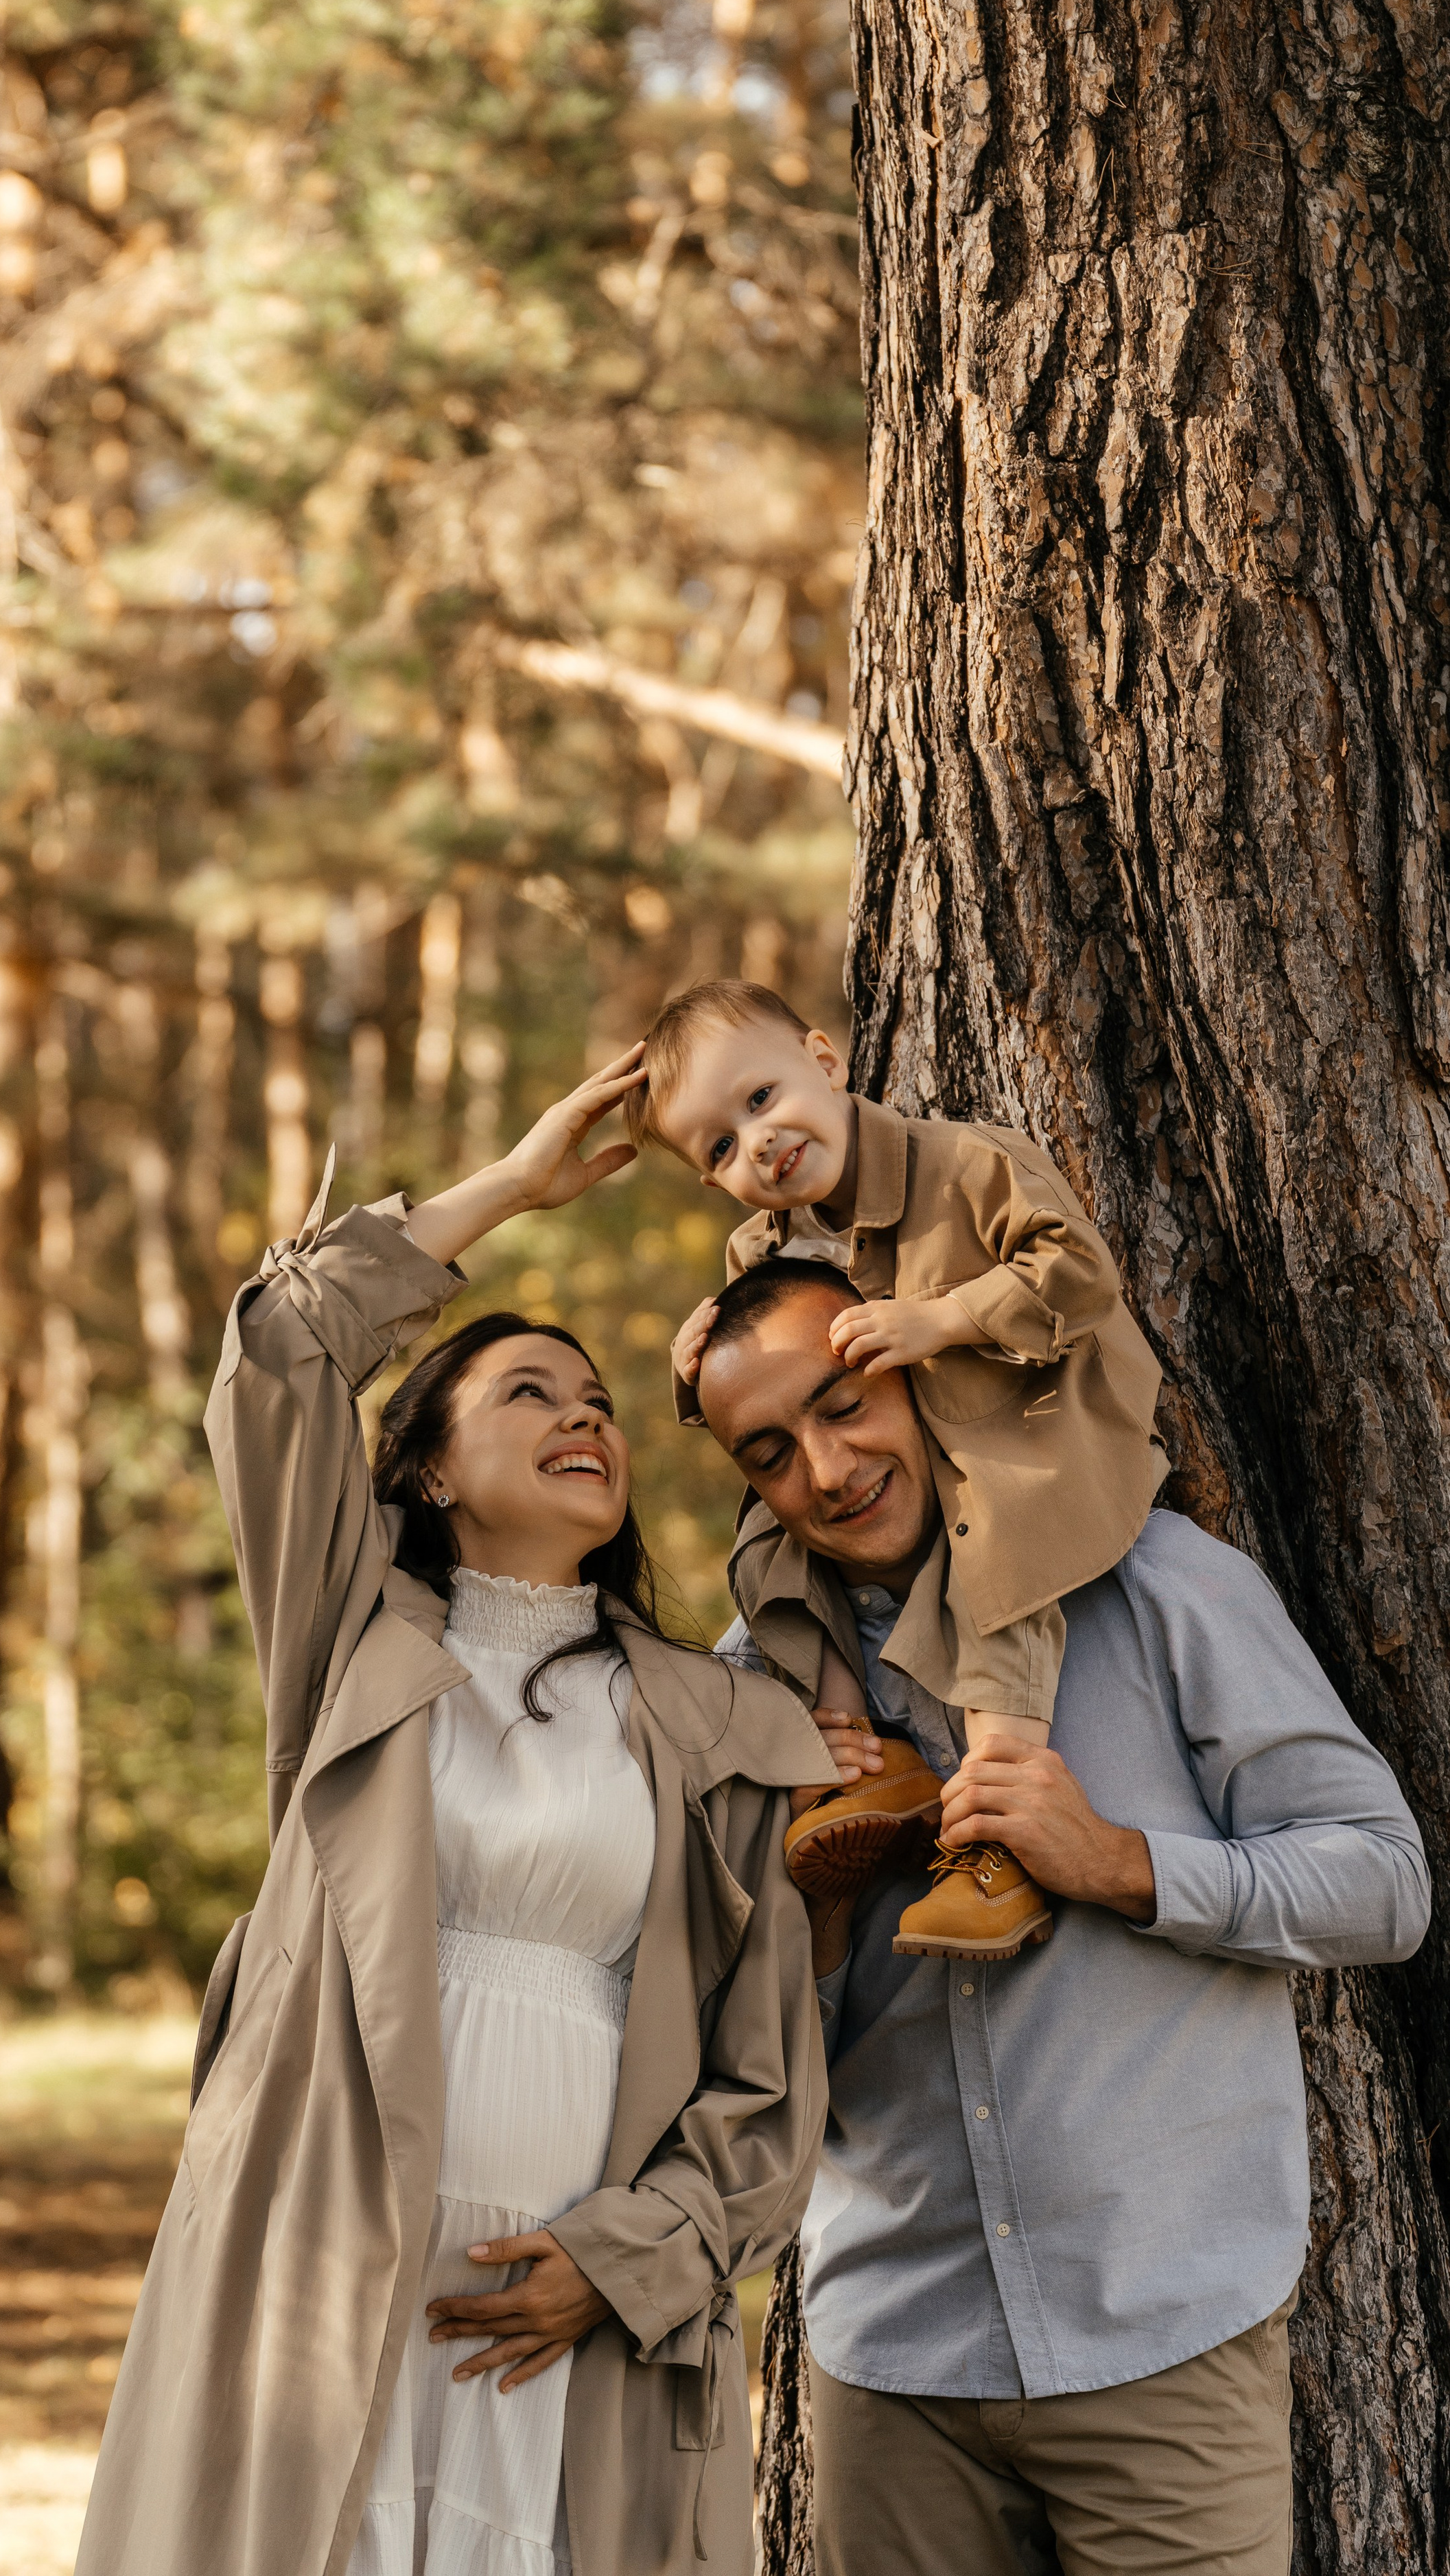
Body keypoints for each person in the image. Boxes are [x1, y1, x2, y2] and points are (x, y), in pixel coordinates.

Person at [73, 1054, 839, 2576]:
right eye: (527, 1392)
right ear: (424, 1465)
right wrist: (510, 1185)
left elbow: (768, 2089)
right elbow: (282, 1350)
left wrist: (620, 2266)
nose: (585, 1419)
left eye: (604, 1402)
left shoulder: (718, 1727)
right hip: (321, 2248)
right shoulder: (353, 1645)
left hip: (559, 2301)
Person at [692, 1256, 1431, 2576]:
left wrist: (1116, 1862)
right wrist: (814, 1916)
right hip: (896, 2368)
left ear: (914, 1375)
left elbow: (1384, 1880)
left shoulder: (1154, 1583)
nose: (828, 1465)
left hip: (1161, 2347)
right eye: (771, 1449)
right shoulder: (755, 1696)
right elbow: (733, 2063)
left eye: (843, 1401)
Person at [629, 978, 1167, 1960]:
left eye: (761, 1100)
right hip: (914, 1440)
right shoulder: (763, 1249)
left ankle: (999, 1831)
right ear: (715, 1182)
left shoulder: (960, 1163)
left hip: (1031, 1411)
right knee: (769, 1533)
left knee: (997, 1538)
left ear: (824, 1062)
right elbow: (771, 1392)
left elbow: (1080, 1273)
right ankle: (858, 1752)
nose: (758, 1142)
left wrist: (944, 1318)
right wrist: (691, 1368)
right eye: (720, 1146)